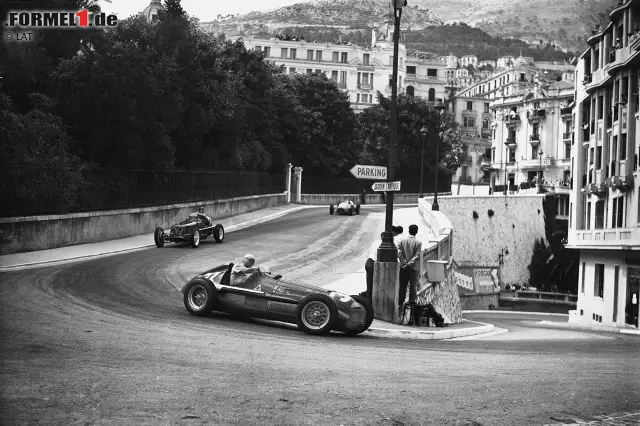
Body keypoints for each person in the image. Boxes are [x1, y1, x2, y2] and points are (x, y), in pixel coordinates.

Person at [364, 227, 402, 303]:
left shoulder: (375, 242)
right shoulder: (384, 245)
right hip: (374, 263)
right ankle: (374, 302)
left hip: (368, 262)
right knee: (378, 286)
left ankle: (368, 302)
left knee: (369, 285)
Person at [397, 224, 422, 312]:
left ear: (409, 231)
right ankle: (411, 303)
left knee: (402, 286)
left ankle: (400, 303)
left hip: (403, 267)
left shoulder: (402, 242)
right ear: (416, 232)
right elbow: (417, 256)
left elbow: (399, 252)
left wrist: (404, 262)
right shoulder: (418, 243)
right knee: (412, 286)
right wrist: (410, 263)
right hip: (413, 268)